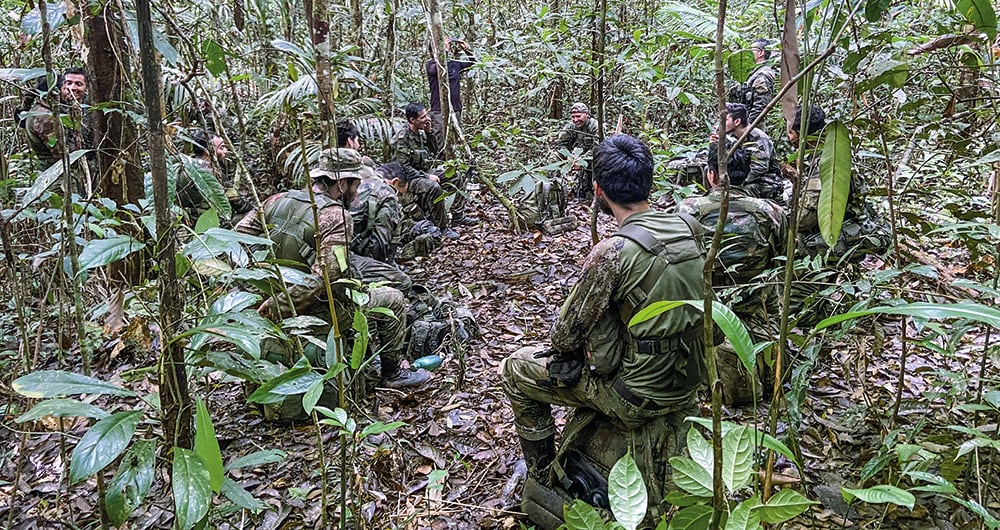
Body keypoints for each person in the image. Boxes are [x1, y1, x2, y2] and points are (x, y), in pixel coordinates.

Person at [500, 134, 707, 481]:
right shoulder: (692, 228)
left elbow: (564, 336)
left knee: (515, 370)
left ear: (598, 190)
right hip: (691, 380)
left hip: (634, 395)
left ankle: (541, 474)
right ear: (648, 182)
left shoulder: (613, 252)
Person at [235, 148, 431, 389]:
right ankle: (392, 374)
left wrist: (256, 295)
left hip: (272, 298)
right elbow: (325, 276)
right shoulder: (335, 215)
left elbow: (236, 241)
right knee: (394, 299)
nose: (356, 190)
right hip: (311, 309)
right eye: (355, 184)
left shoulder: (277, 200)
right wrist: (280, 306)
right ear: (341, 183)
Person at [677, 141, 786, 405]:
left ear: (711, 174)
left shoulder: (688, 210)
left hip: (708, 309)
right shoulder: (771, 212)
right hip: (757, 308)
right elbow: (782, 259)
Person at [787, 105, 892, 259]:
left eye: (791, 132)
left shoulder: (826, 163)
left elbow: (804, 220)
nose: (789, 138)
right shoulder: (834, 148)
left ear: (804, 135)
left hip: (838, 238)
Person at [392, 103, 462, 239]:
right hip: (407, 178)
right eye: (423, 117)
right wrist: (426, 176)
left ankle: (458, 215)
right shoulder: (402, 138)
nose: (427, 118)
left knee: (455, 175)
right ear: (412, 120)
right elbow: (403, 167)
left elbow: (434, 152)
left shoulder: (421, 132)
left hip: (422, 171)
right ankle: (442, 227)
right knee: (433, 187)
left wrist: (429, 133)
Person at [21, 68, 90, 188]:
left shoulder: (49, 110)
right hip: (57, 177)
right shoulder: (44, 117)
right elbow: (62, 151)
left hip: (60, 173)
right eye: (65, 85)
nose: (68, 90)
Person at [176, 129, 254, 225]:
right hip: (211, 223)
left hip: (188, 222)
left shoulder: (182, 167)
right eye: (221, 147)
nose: (225, 151)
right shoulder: (211, 172)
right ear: (207, 151)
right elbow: (238, 203)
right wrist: (257, 209)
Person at [711, 103, 784, 203]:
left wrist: (738, 184)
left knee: (740, 193)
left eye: (725, 120)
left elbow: (759, 168)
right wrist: (717, 145)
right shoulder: (731, 136)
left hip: (761, 179)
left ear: (737, 122)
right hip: (741, 175)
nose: (720, 123)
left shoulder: (758, 138)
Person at [426, 36, 476, 142]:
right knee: (440, 140)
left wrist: (466, 50)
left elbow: (473, 64)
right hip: (439, 110)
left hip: (455, 108)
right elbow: (439, 69)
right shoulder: (431, 65)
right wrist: (444, 51)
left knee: (454, 139)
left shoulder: (454, 64)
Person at [552, 102, 601, 201]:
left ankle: (596, 195)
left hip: (592, 157)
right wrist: (568, 156)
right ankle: (553, 187)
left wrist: (582, 160)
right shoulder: (570, 127)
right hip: (575, 156)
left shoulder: (595, 126)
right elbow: (560, 144)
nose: (575, 120)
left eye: (578, 116)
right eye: (573, 117)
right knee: (555, 156)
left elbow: (598, 148)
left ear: (587, 114)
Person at [738, 38, 776, 124]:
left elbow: (760, 106)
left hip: (751, 126)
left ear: (760, 53)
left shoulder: (763, 73)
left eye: (752, 50)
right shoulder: (754, 72)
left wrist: (748, 127)